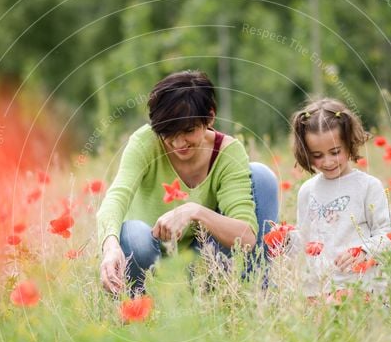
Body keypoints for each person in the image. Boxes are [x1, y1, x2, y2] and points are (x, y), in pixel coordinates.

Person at [97, 70, 279, 294]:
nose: (177, 142)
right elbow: (117, 196)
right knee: (135, 234)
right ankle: (133, 303)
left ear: (210, 117)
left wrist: (195, 211)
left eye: (188, 131)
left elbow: (247, 236)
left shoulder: (227, 152)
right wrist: (110, 246)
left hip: (201, 258)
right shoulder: (145, 142)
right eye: (167, 132)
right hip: (146, 252)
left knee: (261, 176)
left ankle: (254, 293)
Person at [290, 98, 391, 299]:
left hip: (360, 287)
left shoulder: (367, 186)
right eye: (317, 155)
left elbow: (390, 234)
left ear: (349, 143)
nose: (327, 161)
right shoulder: (307, 190)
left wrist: (364, 250)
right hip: (318, 290)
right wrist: (285, 239)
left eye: (335, 152)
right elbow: (305, 239)